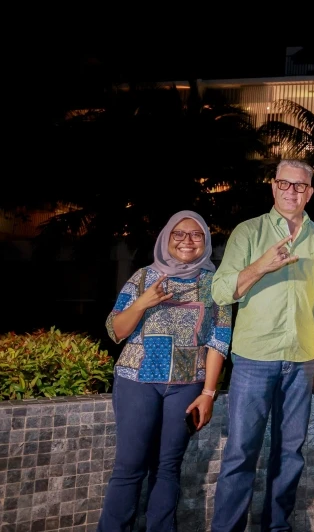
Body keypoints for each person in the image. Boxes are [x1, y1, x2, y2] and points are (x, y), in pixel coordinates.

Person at [210, 159, 314, 532]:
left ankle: (276, 526)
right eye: (285, 184)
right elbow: (220, 291)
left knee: (290, 453)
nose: (292, 191)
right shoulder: (248, 232)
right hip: (254, 358)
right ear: (273, 186)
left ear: (310, 191)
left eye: (300, 186)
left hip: (301, 358)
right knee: (240, 453)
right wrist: (260, 266)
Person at [98, 210, 231, 532]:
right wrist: (142, 302)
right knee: (129, 467)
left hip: (187, 386)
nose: (188, 241)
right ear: (166, 239)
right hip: (136, 382)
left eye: (196, 235)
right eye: (179, 234)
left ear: (206, 242)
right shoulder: (143, 277)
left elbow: (219, 340)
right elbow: (116, 331)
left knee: (168, 467)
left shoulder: (216, 285)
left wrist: (208, 394)